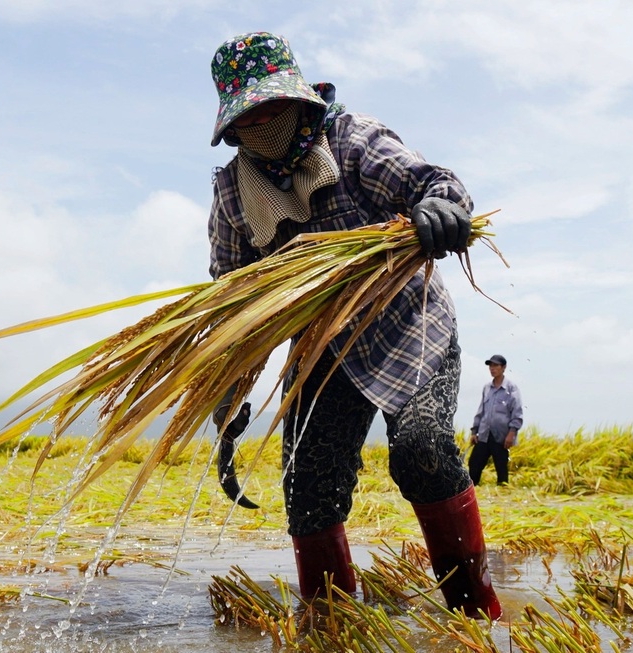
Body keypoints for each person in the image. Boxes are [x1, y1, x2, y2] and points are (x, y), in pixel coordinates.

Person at [207, 32, 502, 619]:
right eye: (250, 115)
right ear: (233, 127)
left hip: (408, 327)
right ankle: (331, 624)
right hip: (323, 351)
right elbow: (235, 310)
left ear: (301, 102)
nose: (264, 122)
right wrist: (228, 399)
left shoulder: (354, 142)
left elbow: (432, 182)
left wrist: (443, 209)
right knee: (306, 487)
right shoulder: (234, 198)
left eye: (274, 108)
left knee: (421, 448)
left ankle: (477, 615)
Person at [468, 354, 524, 486]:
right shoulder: (487, 388)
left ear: (503, 368)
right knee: (474, 463)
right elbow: (481, 410)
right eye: (490, 366)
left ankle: (503, 491)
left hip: (502, 436)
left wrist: (511, 433)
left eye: (495, 366)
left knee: (501, 466)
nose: (492, 369)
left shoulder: (511, 388)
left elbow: (517, 411)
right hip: (484, 434)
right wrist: (474, 431)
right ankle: (472, 490)